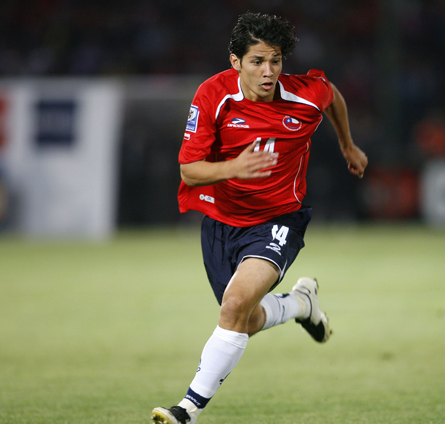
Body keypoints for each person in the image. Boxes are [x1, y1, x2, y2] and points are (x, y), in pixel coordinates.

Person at [151, 12, 368, 424]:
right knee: (243, 320)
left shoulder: (305, 95)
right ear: (235, 61)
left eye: (276, 60)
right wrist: (233, 167)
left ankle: (186, 410)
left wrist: (347, 144)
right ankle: (301, 305)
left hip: (279, 220)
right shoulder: (213, 95)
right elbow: (189, 171)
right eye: (257, 61)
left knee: (233, 307)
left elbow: (332, 96)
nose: (268, 72)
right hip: (221, 223)